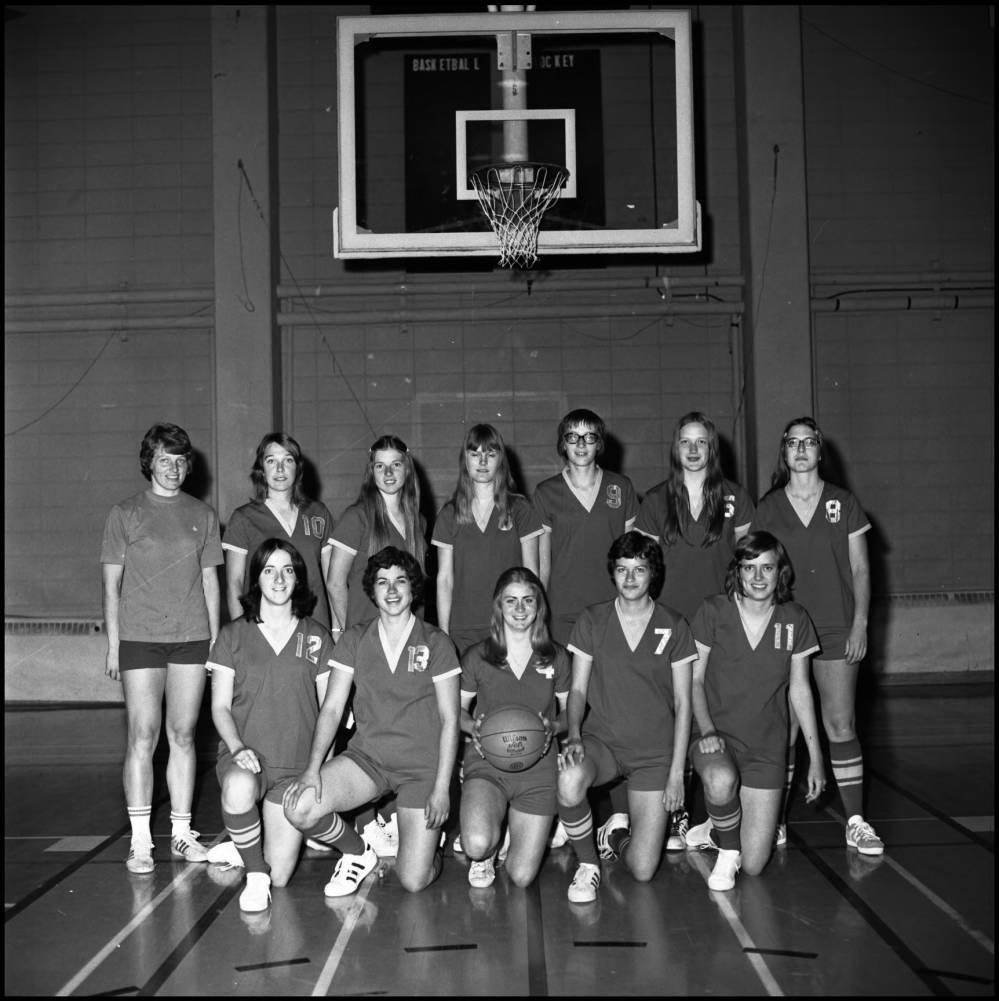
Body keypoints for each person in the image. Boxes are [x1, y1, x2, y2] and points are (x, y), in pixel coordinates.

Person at [282, 547, 461, 897]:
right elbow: (332, 709)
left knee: (413, 880)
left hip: (421, 768)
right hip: (369, 760)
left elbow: (450, 718)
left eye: (400, 581)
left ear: (413, 588)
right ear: (371, 590)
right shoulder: (354, 639)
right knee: (300, 807)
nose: (392, 590)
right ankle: (356, 851)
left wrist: (442, 787)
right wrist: (313, 768)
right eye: (382, 582)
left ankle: (431, 847)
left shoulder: (436, 642)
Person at [752, 417, 882, 855]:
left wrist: (860, 623)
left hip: (835, 626)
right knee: (783, 729)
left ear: (820, 450)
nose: (802, 449)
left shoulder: (843, 503)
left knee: (840, 723)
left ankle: (856, 821)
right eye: (793, 443)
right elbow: (757, 570)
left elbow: (862, 568)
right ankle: (776, 821)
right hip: (785, 629)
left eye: (809, 442)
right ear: (784, 452)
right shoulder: (768, 507)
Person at [100, 422, 223, 874]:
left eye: (179, 460)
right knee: (143, 736)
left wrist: (214, 642)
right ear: (148, 462)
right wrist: (114, 645)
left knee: (185, 735)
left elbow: (212, 583)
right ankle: (139, 841)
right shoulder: (124, 512)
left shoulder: (203, 514)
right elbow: (111, 585)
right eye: (164, 460)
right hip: (140, 639)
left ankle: (183, 832)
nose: (173, 468)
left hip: (190, 638)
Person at [633, 411, 754, 850]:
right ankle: (676, 811)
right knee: (670, 716)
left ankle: (707, 813)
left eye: (701, 442)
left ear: (711, 448)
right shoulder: (654, 500)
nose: (693, 449)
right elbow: (642, 564)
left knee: (712, 714)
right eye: (685, 441)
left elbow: (747, 563)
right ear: (675, 447)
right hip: (668, 624)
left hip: (718, 624)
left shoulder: (735, 499)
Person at [556, 531, 696, 904]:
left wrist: (676, 772)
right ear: (612, 573)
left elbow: (684, 703)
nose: (630, 579)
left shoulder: (674, 625)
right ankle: (588, 866)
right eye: (622, 570)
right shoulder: (592, 620)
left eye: (639, 570)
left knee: (644, 870)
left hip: (654, 754)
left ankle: (615, 836)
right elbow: (579, 690)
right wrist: (573, 734)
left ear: (654, 574)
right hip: (603, 744)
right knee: (569, 779)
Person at [683, 531, 826, 891]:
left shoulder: (795, 618)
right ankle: (726, 851)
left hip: (765, 747)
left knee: (757, 863)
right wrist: (708, 731)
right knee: (719, 780)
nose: (758, 577)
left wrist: (816, 757)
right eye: (750, 568)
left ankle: (715, 827)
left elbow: (801, 690)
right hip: (715, 736)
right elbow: (694, 680)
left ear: (781, 573)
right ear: (738, 571)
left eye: (767, 568)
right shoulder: (713, 610)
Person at [207, 539, 336, 912]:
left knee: (281, 875)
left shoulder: (317, 636)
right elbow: (219, 708)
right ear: (256, 579)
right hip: (248, 756)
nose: (279, 579)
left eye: (287, 570)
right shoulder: (233, 635)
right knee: (237, 785)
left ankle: (245, 843)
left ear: (298, 579)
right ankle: (253, 872)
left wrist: (321, 769)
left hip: (295, 768)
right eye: (269, 570)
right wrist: (237, 749)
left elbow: (330, 709)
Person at [328, 434, 427, 854]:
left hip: (403, 638)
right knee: (359, 729)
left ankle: (386, 815)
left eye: (396, 465)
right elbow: (335, 579)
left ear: (408, 469)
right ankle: (366, 824)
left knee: (398, 723)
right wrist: (340, 633)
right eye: (380, 465)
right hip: (366, 638)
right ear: (370, 471)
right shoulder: (357, 516)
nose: (388, 473)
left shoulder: (415, 519)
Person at [459, 568, 570, 889]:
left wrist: (555, 726)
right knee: (476, 843)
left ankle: (510, 830)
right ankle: (488, 850)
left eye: (527, 601)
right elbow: (456, 711)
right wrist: (474, 729)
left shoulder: (556, 656)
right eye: (511, 601)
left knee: (521, 876)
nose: (520, 609)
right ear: (499, 606)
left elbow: (570, 712)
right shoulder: (478, 656)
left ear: (539, 606)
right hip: (487, 762)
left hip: (538, 765)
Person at [433, 424, 543, 655]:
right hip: (463, 629)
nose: (482, 462)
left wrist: (534, 624)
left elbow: (532, 573)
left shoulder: (521, 509)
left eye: (490, 454)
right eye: (475, 454)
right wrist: (444, 632)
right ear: (465, 460)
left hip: (510, 624)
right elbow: (444, 579)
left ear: (500, 460)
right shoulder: (449, 514)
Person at [534, 409, 638, 646]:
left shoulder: (621, 487)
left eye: (589, 436)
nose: (581, 444)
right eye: (572, 436)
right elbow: (543, 564)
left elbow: (633, 555)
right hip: (562, 611)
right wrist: (540, 612)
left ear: (599, 443)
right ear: (563, 443)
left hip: (613, 605)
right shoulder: (545, 492)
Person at [222, 432, 336, 629]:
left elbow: (333, 580)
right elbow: (235, 584)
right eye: (271, 461)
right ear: (261, 469)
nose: (280, 469)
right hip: (265, 625)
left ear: (298, 468)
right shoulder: (243, 518)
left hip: (315, 625)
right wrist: (240, 633)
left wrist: (337, 627)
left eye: (288, 460)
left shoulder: (318, 513)